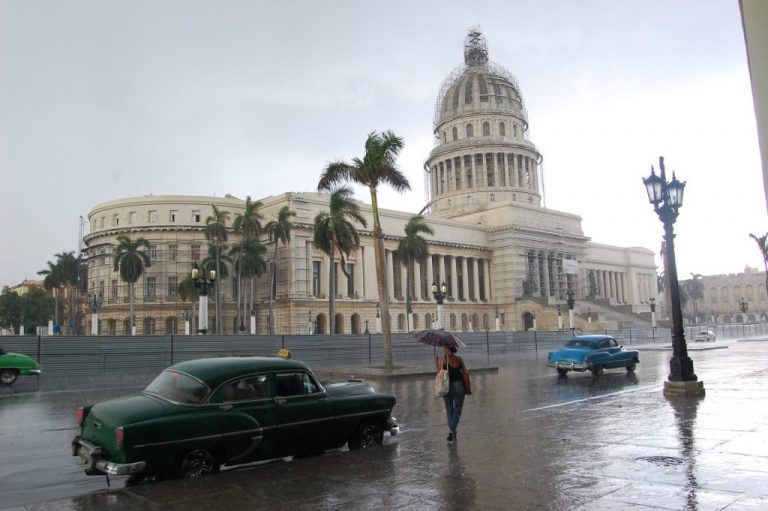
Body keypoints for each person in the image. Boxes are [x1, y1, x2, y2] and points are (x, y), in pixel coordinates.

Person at [435, 345, 471, 442]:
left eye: (445, 349)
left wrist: (436, 362)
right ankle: (452, 430)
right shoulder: (459, 359)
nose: (444, 350)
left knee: (449, 410)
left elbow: (439, 373)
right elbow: (465, 372)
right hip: (459, 386)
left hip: (446, 387)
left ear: (449, 350)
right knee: (457, 409)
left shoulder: (443, 359)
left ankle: (452, 430)